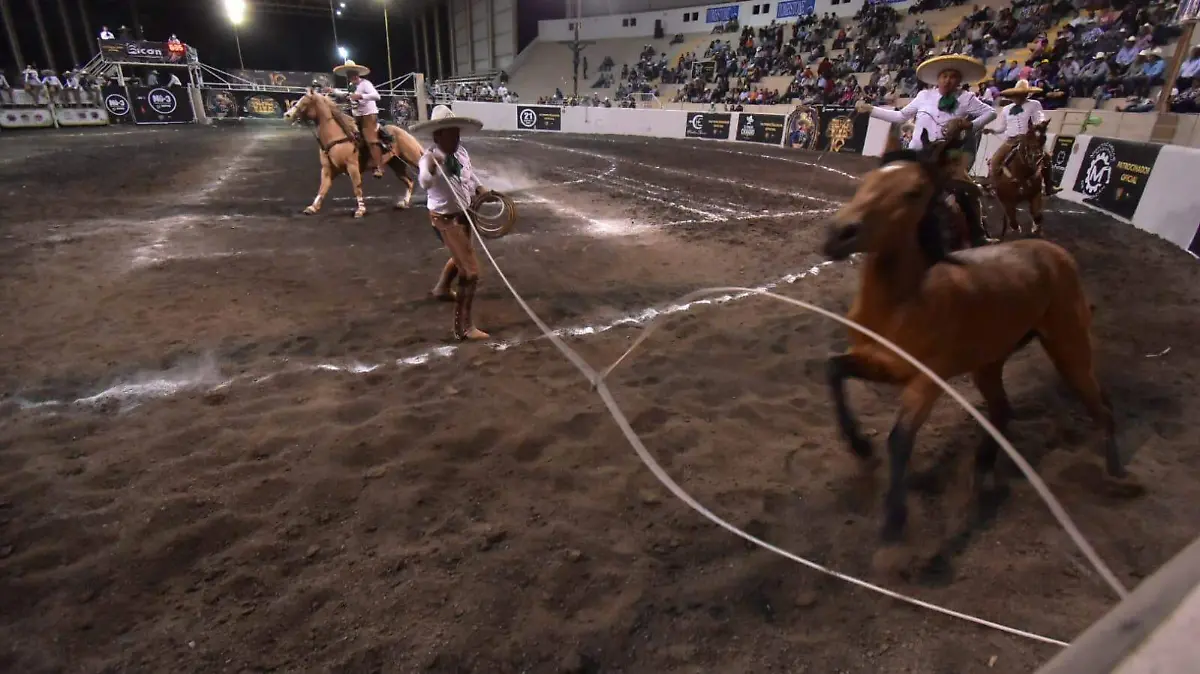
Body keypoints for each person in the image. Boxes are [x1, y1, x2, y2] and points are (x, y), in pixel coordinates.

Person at [856, 54, 997, 245]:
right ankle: (869, 220)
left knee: (967, 191)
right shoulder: (924, 96)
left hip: (947, 156)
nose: (948, 80)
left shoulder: (967, 98)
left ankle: (978, 234)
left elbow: (991, 112)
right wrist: (871, 110)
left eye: (953, 76)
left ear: (959, 81)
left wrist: (968, 124)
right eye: (944, 76)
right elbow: (901, 116)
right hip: (916, 152)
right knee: (885, 173)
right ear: (938, 79)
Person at [409, 105, 490, 342]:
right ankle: (463, 327)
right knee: (470, 271)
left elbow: (469, 175)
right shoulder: (428, 157)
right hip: (444, 218)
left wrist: (480, 187)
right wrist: (433, 166)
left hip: (464, 214)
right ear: (437, 136)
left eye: (456, 133)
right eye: (450, 134)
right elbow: (424, 182)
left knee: (462, 255)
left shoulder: (462, 153)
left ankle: (442, 288)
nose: (455, 138)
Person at [984, 79, 1060, 197]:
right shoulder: (1006, 109)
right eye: (1017, 94)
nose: (1019, 97)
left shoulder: (1034, 104)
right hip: (1011, 140)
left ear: (1026, 94)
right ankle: (993, 185)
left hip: (1028, 139)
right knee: (994, 160)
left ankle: (1049, 185)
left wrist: (1040, 123)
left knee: (1046, 157)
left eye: (1022, 94)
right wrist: (992, 130)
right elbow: (1002, 127)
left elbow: (1039, 116)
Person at [332, 59, 385, 179]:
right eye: (349, 74)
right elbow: (346, 95)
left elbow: (377, 96)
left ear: (357, 74)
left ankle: (379, 167)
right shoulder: (351, 86)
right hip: (357, 115)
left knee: (370, 139)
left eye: (352, 74)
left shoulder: (365, 83)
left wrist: (361, 96)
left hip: (369, 115)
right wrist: (333, 91)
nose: (351, 76)